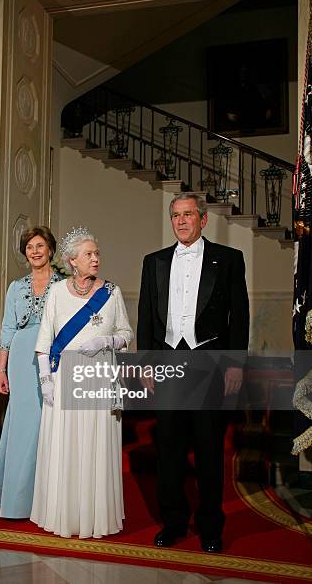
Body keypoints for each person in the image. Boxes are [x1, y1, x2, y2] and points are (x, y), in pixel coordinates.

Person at [137, 192, 249, 553]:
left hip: (209, 362)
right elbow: (145, 318)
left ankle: (210, 527)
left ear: (203, 219)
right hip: (168, 360)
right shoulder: (152, 261)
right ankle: (173, 523)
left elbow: (240, 315)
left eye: (188, 215)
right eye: (175, 215)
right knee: (168, 449)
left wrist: (234, 363)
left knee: (208, 449)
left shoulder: (229, 259)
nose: (182, 221)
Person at [30, 227, 133, 538]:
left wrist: (107, 340)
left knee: (95, 443)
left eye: (97, 253)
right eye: (89, 254)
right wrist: (45, 379)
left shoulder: (111, 293)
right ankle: (66, 514)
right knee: (67, 444)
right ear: (72, 260)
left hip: (99, 376)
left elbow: (128, 336)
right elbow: (44, 341)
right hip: (64, 379)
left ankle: (95, 516)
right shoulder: (57, 292)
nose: (96, 259)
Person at [0, 226, 61, 518]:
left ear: (50, 249)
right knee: (21, 425)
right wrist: (1, 370)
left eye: (40, 246)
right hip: (19, 358)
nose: (35, 251)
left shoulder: (64, 285)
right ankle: (17, 498)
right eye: (30, 247)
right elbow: (7, 329)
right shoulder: (16, 287)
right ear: (24, 253)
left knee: (47, 424)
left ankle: (46, 499)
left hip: (52, 358)